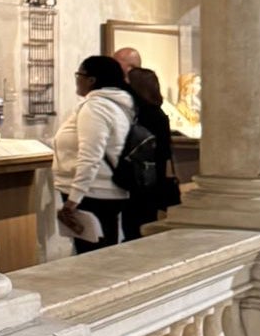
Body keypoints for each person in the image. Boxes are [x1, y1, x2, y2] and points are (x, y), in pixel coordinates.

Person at [53, 55, 135, 252]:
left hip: (93, 192)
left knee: (92, 255)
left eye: (78, 75)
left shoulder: (95, 107)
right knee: (103, 250)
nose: (76, 80)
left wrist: (74, 199)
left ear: (91, 80)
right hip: (102, 190)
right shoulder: (116, 104)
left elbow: (90, 155)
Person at [124, 66, 176, 239]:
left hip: (139, 178)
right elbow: (165, 153)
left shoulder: (139, 115)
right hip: (154, 178)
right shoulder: (159, 114)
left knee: (134, 227)